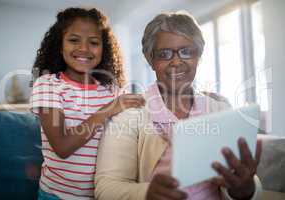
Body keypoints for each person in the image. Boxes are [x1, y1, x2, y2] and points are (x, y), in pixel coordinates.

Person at [95, 11, 262, 200]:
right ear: (151, 60)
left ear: (198, 56)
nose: (176, 61)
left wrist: (246, 189)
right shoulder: (129, 114)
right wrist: (145, 193)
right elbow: (106, 188)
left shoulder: (220, 109)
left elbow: (244, 181)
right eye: (164, 54)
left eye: (186, 51)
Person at [30, 7, 145, 200]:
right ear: (60, 45)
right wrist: (106, 111)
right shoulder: (48, 84)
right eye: (74, 40)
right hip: (57, 196)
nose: (83, 48)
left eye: (93, 42)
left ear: (103, 49)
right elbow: (63, 146)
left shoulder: (112, 91)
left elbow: (141, 119)